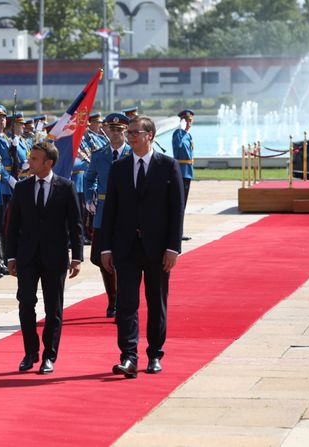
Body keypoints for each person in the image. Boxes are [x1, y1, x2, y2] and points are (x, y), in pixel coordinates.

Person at [100, 116, 184, 378]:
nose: (130, 136)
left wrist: (173, 247)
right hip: (126, 248)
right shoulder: (120, 167)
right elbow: (110, 209)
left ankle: (155, 354)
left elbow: (176, 211)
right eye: (129, 132)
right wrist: (106, 248)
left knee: (156, 302)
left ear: (150, 135)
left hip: (158, 249)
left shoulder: (167, 166)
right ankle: (128, 356)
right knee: (126, 304)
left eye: (135, 132)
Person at [6, 141, 83, 375]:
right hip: (27, 257)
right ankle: (30, 352)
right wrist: (10, 256)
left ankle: (49, 355)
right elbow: (12, 226)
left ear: (48, 163)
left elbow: (75, 225)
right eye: (30, 157)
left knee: (54, 309)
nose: (29, 162)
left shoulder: (65, 187)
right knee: (26, 303)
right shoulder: (22, 188)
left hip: (55, 257)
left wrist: (77, 257)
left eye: (35, 159)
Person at [85, 113, 131, 318]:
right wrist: (89, 198)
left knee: (125, 258)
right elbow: (89, 178)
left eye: (119, 130)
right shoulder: (99, 154)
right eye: (111, 130)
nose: (115, 134)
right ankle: (112, 297)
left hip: (125, 212)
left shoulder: (132, 154)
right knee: (99, 257)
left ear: (125, 132)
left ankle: (122, 300)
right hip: (103, 211)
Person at [172, 109, 194, 241]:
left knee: (183, 204)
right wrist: (181, 131)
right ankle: (176, 233)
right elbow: (178, 147)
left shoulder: (187, 134)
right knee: (179, 204)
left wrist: (185, 132)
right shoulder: (178, 134)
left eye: (191, 121)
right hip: (181, 172)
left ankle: (179, 232)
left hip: (187, 172)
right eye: (187, 121)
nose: (189, 124)